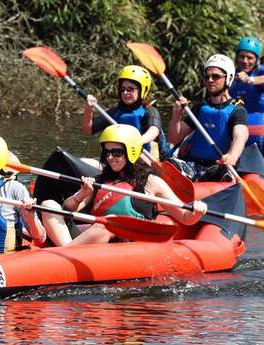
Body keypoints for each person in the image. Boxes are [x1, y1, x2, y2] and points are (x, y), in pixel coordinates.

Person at [41, 124, 207, 247]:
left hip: (128, 247)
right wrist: (81, 195)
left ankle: (64, 254)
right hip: (93, 245)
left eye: (117, 152)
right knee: (48, 205)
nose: (110, 157)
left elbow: (185, 217)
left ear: (131, 151)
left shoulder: (151, 182)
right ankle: (65, 254)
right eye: (107, 152)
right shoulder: (100, 180)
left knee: (110, 223)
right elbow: (68, 209)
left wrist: (197, 212)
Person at [168, 54, 249, 181]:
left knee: (218, 172)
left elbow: (240, 137)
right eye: (207, 77)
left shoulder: (237, 110)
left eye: (216, 76)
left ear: (229, 78)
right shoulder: (199, 108)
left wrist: (232, 156)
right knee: (171, 164)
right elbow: (174, 138)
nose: (210, 80)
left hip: (217, 168)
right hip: (192, 165)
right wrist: (176, 116)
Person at [82, 65, 169, 160]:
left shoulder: (149, 111)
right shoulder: (115, 112)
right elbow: (88, 130)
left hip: (146, 159)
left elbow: (154, 131)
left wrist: (137, 141)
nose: (125, 93)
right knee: (85, 161)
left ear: (142, 90)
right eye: (123, 89)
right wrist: (89, 109)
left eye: (130, 89)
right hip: (119, 160)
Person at [229, 36, 264, 154]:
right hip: (237, 129)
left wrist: (250, 80)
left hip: (259, 128)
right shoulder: (231, 75)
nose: (245, 61)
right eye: (241, 56)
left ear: (257, 60)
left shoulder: (260, 71)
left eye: (250, 58)